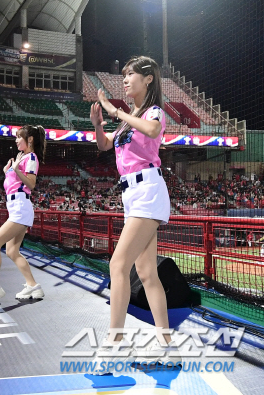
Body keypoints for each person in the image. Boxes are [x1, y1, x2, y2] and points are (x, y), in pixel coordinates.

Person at [88, 56, 180, 371]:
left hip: (148, 191)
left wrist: (116, 111)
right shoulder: (128, 119)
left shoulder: (152, 112)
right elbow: (104, 146)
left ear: (148, 80)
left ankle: (114, 345)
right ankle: (168, 347)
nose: (125, 80)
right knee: (147, 274)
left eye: (130, 75)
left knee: (118, 264)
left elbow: (153, 131)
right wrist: (101, 125)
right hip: (132, 195)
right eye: (124, 75)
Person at [0, 125, 46, 305]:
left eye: (18, 137)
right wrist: (9, 172)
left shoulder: (31, 157)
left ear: (29, 139)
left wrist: (16, 169)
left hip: (21, 207)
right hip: (15, 206)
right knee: (12, 251)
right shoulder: (22, 158)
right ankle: (33, 286)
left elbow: (31, 184)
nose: (15, 140)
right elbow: (13, 184)